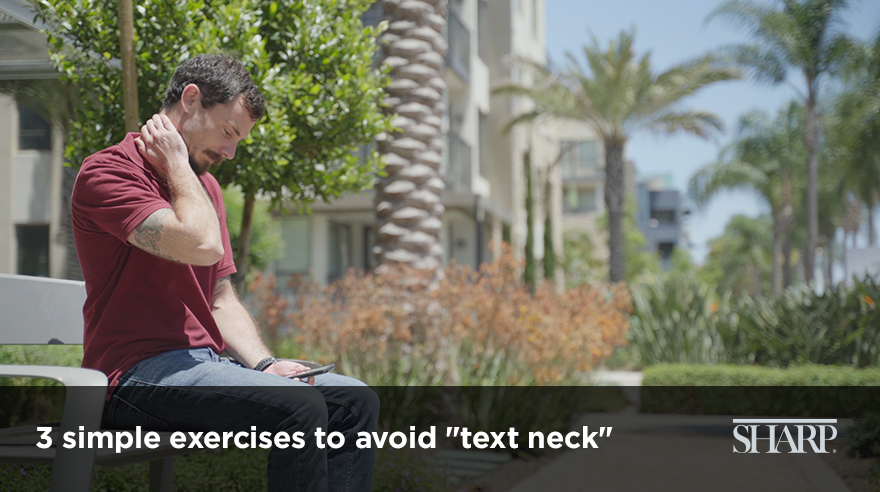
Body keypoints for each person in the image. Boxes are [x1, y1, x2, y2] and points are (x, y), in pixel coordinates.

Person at [71, 54, 379, 492]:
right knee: (299, 406)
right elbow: (200, 244)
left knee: (355, 400)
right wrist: (177, 164)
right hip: (132, 380)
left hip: (204, 367)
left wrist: (264, 364)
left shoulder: (204, 186)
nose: (230, 153)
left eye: (239, 141)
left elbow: (220, 297)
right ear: (191, 100)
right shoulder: (108, 172)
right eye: (228, 133)